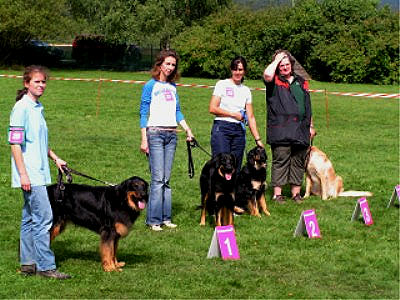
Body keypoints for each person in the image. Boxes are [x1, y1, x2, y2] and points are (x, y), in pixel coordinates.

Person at [9, 65, 71, 279]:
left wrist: (55, 158)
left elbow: (38, 141)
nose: (41, 85)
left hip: (40, 171)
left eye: (43, 81)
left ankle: (28, 263)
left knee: (29, 218)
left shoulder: (37, 107)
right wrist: (23, 174)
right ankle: (46, 266)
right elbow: (15, 144)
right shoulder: (21, 108)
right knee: (44, 218)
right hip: (30, 174)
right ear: (27, 83)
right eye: (37, 81)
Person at [139, 49, 194, 232]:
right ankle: (153, 220)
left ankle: (166, 218)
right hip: (154, 134)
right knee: (157, 179)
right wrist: (143, 139)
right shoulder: (150, 85)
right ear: (160, 64)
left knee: (167, 179)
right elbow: (143, 112)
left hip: (172, 135)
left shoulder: (173, 87)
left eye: (173, 65)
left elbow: (177, 111)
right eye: (167, 63)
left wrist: (187, 128)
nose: (170, 67)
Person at [263, 49, 316, 204]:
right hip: (281, 129)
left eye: (287, 64)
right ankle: (277, 194)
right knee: (281, 160)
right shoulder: (273, 80)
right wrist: (277, 59)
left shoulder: (301, 82)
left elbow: (308, 106)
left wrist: (311, 126)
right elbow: (267, 74)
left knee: (298, 162)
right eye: (281, 65)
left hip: (301, 129)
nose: (285, 67)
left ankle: (295, 194)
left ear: (291, 65)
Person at [209, 56, 264, 171]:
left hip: (238, 131)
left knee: (235, 167)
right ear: (231, 70)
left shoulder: (246, 90)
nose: (237, 72)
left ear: (244, 71)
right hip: (222, 128)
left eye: (240, 69)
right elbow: (213, 108)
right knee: (221, 165)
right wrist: (233, 114)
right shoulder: (222, 84)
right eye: (235, 69)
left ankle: (234, 189)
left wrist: (257, 139)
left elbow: (251, 117)